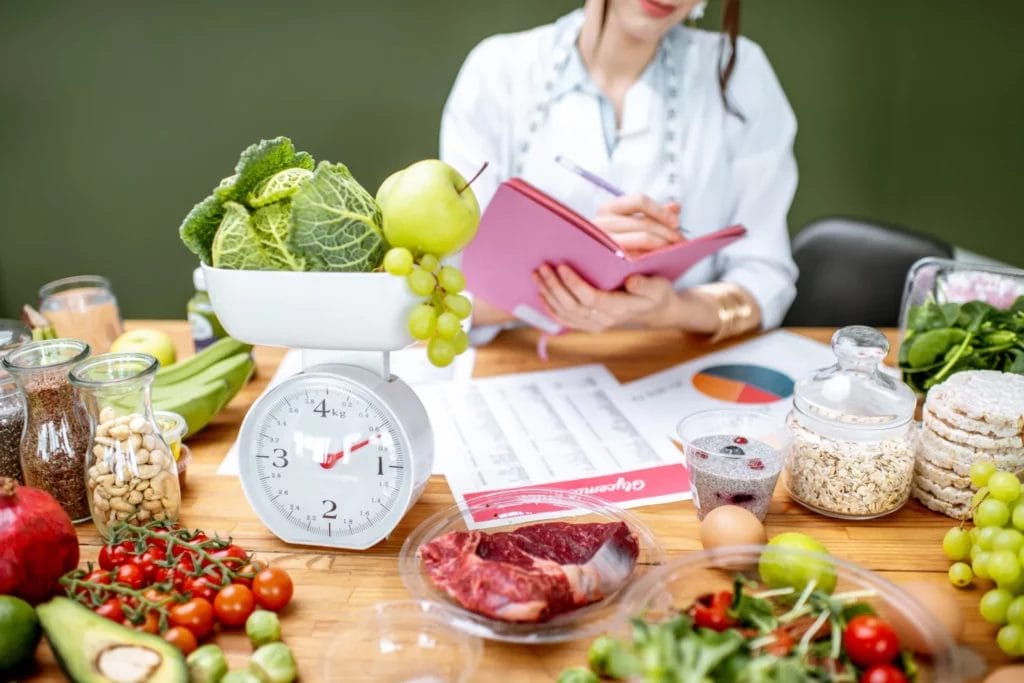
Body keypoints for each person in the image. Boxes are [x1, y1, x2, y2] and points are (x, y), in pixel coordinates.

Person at [440, 0, 798, 343]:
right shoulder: (497, 73)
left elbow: (766, 277)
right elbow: (446, 290)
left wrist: (671, 309)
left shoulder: (738, 74)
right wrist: (577, 270)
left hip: (672, 368)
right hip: (521, 369)